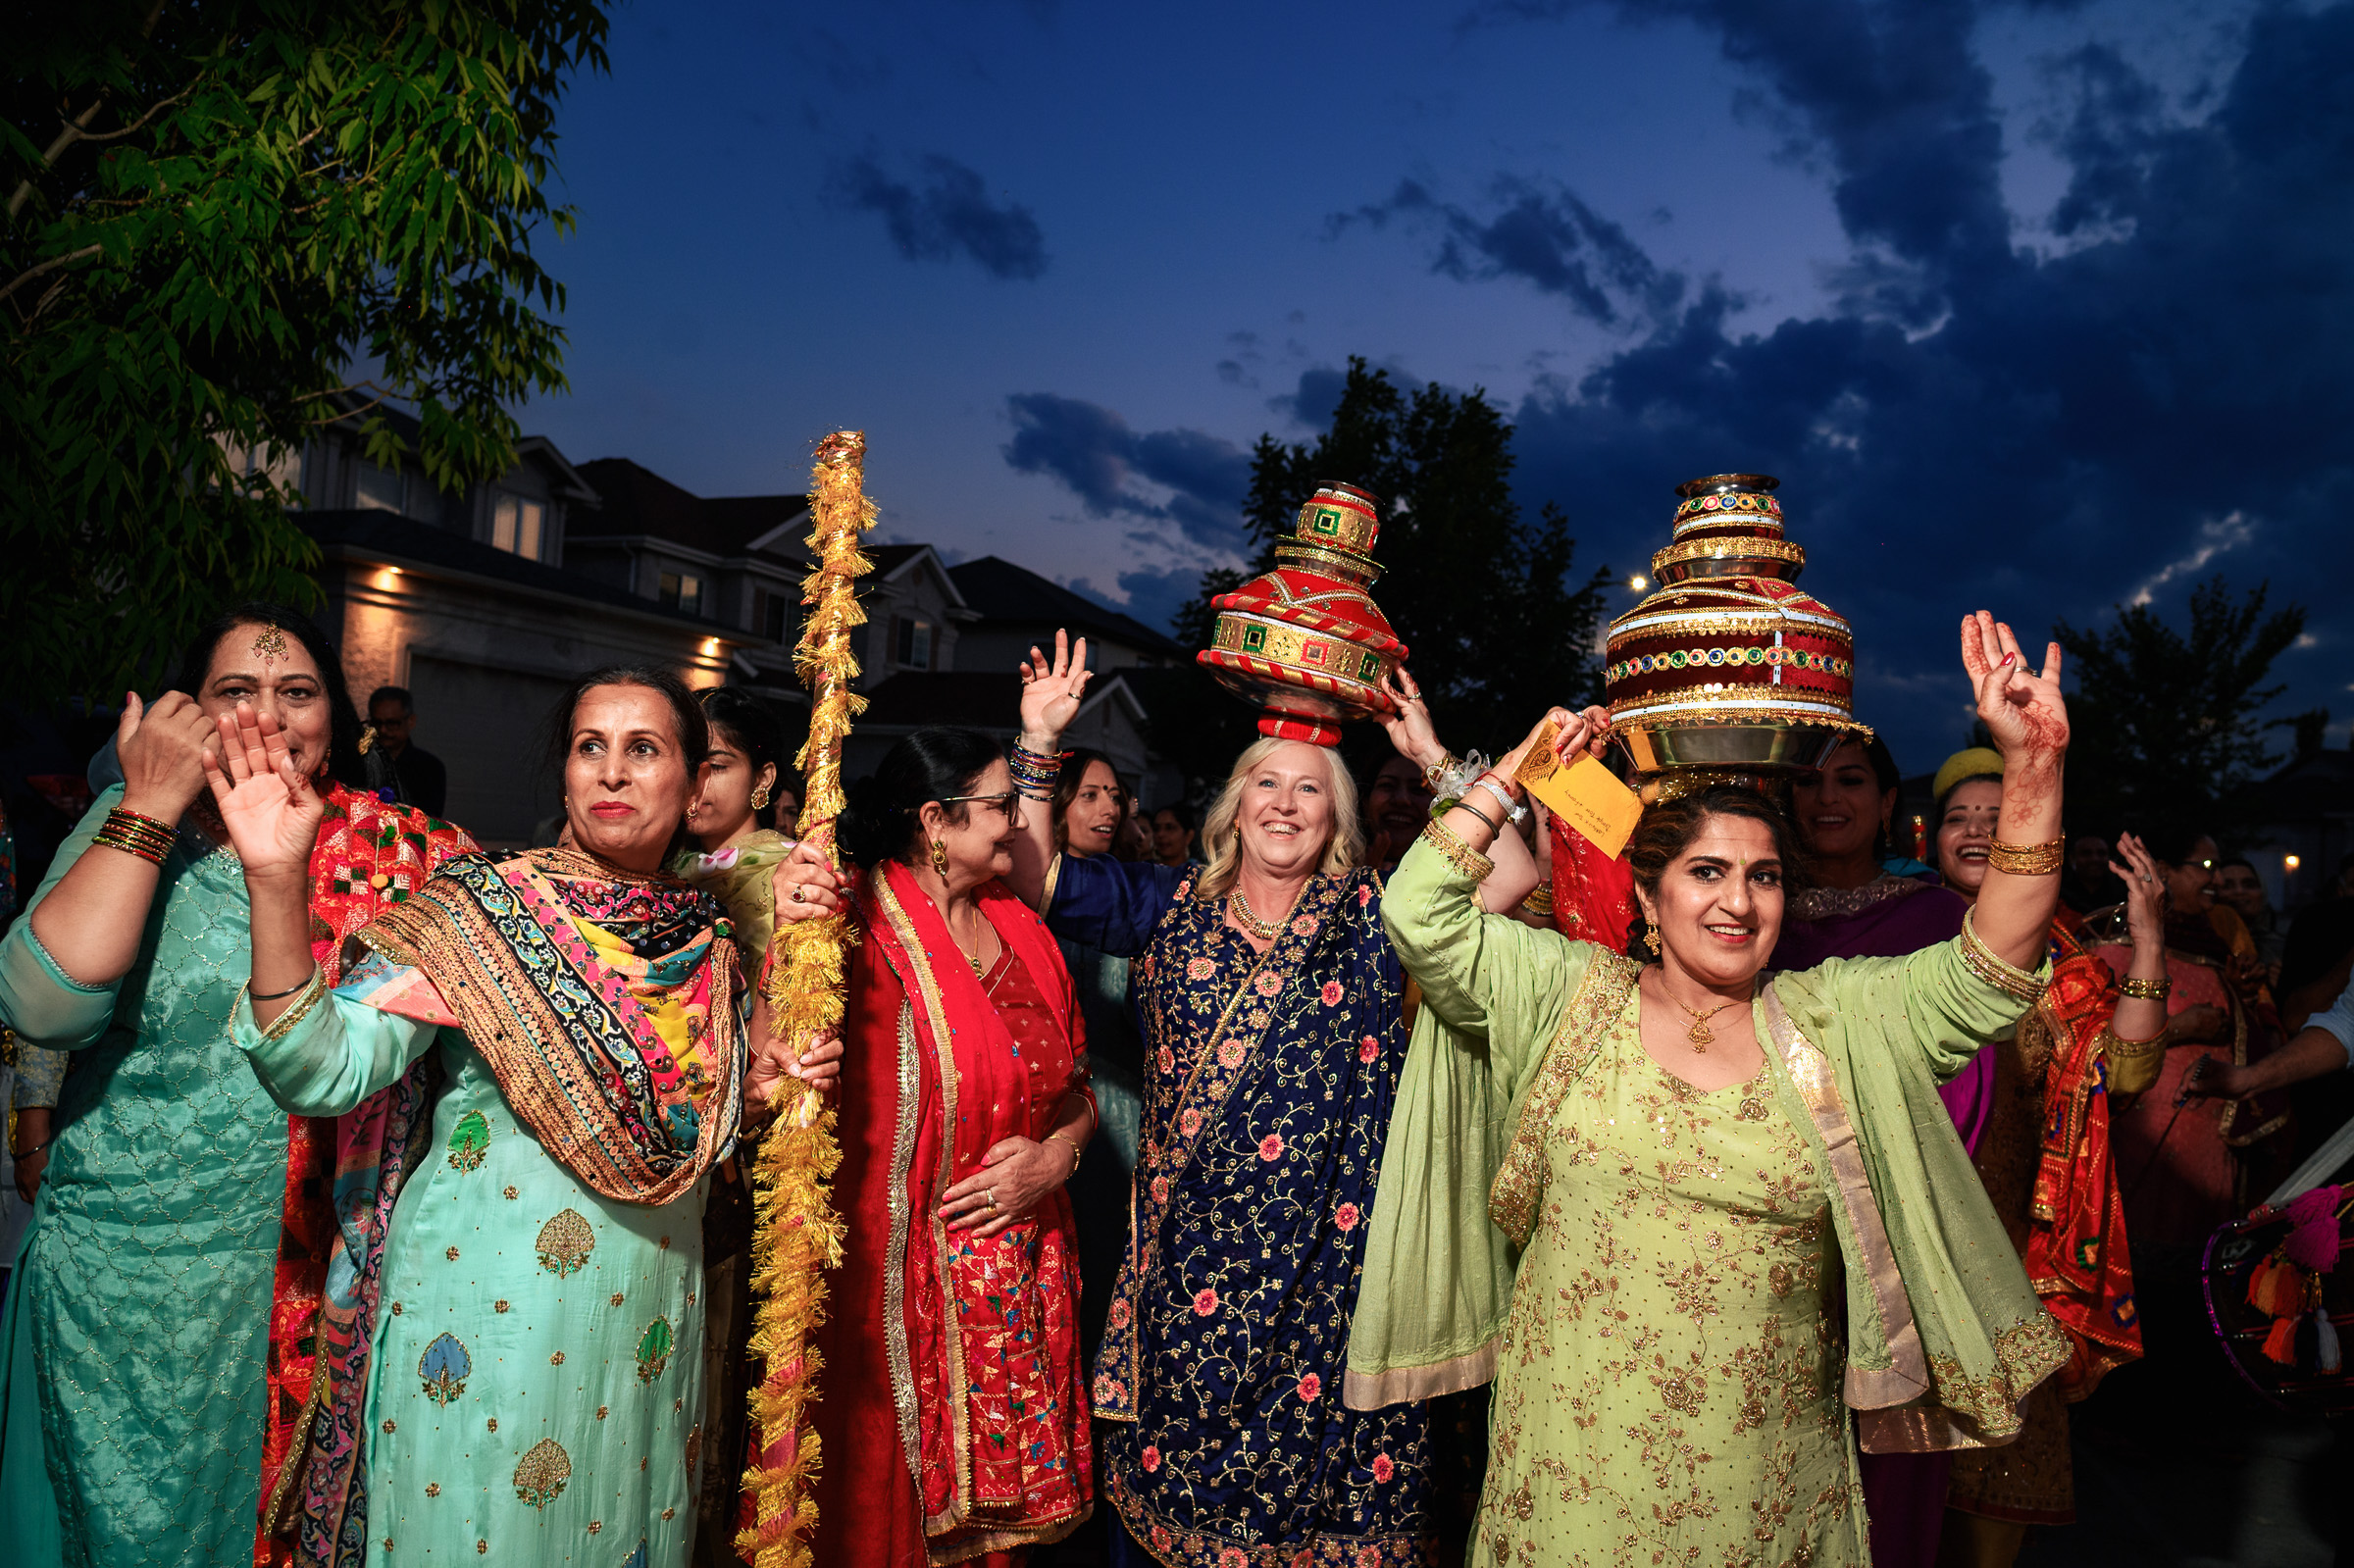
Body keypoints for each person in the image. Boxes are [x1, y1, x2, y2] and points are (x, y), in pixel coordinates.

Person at [1347, 612, 2073, 1568]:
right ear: (1649, 898)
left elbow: (1994, 965)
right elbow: (1419, 912)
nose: (1739, 900)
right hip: (1571, 1463)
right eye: (1708, 873)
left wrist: (2035, 765)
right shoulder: (1564, 994)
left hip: (1766, 1471)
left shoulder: (1835, 1018)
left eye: (1765, 877)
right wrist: (1510, 772)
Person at [208, 665, 829, 1567]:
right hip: (484, 1347)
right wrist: (276, 880)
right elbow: (318, 1066)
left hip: (650, 1354)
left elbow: (713, 1137)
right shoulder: (480, 914)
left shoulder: (710, 944)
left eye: (643, 749)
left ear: (696, 786)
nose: (611, 772)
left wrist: (776, 1074)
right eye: (590, 747)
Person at [0, 607, 477, 1568]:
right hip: (119, 1270)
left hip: (294, 1274)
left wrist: (279, 871)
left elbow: (338, 1068)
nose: (267, 714)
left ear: (334, 723)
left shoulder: (398, 857)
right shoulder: (137, 818)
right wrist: (147, 807)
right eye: (235, 692)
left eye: (296, 693)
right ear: (187, 712)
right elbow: (44, 1007)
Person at [993, 633, 1465, 1568]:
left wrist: (1434, 760)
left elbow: (1516, 879)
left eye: (1309, 787)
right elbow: (1025, 876)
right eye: (1266, 784)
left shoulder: (1379, 914)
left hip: (1335, 1279)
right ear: (1234, 803)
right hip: (1190, 1277)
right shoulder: (1163, 902)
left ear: (1337, 815)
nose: (1285, 804)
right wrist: (1038, 744)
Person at [773, 727, 1098, 1565]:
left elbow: (1080, 1094)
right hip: (896, 1299)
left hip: (1019, 1282)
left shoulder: (1023, 930)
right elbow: (783, 1072)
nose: (1018, 827)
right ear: (935, 821)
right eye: (998, 807)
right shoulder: (849, 930)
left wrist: (1056, 1157)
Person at [1926, 749, 2170, 1566]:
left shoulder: (2061, 964)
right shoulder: (1891, 937)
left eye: (2001, 819)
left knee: (1996, 1478)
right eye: (1961, 816)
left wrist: (2148, 945)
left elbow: (2125, 1073)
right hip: (1892, 1245)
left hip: (2005, 1257)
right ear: (1928, 833)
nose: (1978, 831)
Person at [1778, 733, 1991, 1568]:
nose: (1827, 796)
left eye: (1851, 779)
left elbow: (1963, 1089)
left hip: (1893, 1228)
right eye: (1807, 779)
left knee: (1889, 1467)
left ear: (1888, 801)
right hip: (1772, 1223)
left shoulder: (1939, 919)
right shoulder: (1748, 911)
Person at [669, 684, 793, 1565]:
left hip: (752, 1141)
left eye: (718, 765)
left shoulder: (786, 871)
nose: (698, 785)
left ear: (763, 778)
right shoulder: (671, 866)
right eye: (690, 762)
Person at [2100, 826, 2287, 1288]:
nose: (2217, 879)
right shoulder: (2110, 942)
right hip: (2135, 1143)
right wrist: (2183, 1028)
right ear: (2162, 871)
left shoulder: (2219, 940)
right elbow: (2092, 1043)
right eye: (2205, 867)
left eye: (2218, 867)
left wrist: (2243, 1000)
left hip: (2209, 1147)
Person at [366, 685, 448, 819]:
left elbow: (430, 821)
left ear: (411, 721)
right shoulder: (360, 762)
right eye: (376, 723)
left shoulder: (430, 768)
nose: (383, 730)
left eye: (392, 723)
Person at [1361, 750, 1437, 874]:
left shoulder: (1460, 883)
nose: (1402, 800)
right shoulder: (1330, 879)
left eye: (1418, 789)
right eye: (1387, 785)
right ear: (1365, 802)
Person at [2214, 857, 2286, 985]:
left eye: (2249, 885)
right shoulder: (2206, 942)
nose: (2239, 891)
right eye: (2227, 886)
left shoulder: (2280, 947)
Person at [2062, 832, 2120, 914]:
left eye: (2101, 853)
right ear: (2072, 858)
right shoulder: (2060, 895)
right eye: (2086, 853)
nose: (2095, 859)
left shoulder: (2122, 895)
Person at [1148, 801, 1197, 869]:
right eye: (1156, 829)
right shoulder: (1144, 872)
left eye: (1169, 828)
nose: (1160, 834)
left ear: (1189, 836)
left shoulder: (1199, 875)